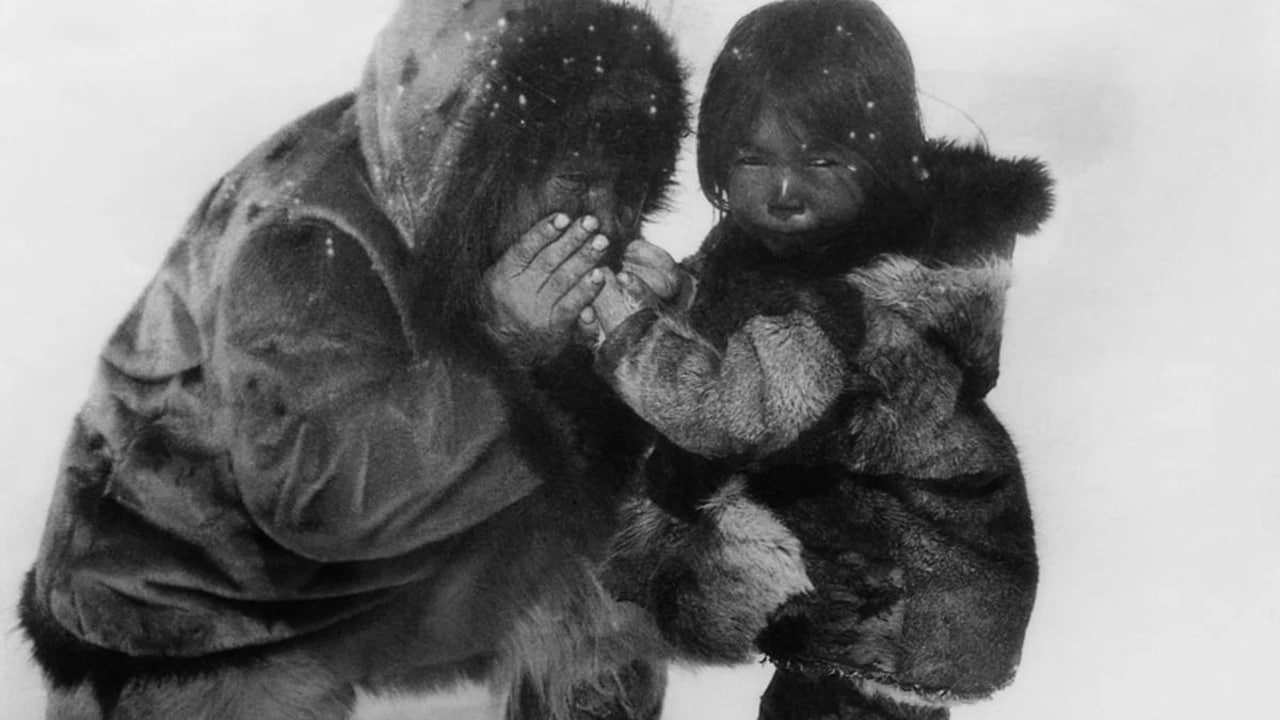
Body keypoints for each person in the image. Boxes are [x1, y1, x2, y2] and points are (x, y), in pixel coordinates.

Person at [17, 1, 690, 718]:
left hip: (379, 560)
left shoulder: (462, 187)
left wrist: (644, 343)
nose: (606, 219)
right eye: (579, 180)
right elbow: (317, 501)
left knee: (610, 600)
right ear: (494, 163)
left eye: (628, 188)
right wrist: (501, 340)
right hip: (183, 598)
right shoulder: (303, 236)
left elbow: (591, 465)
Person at [591, 1, 1052, 718]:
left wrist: (630, 335)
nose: (782, 190)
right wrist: (679, 298)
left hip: (910, 591)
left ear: (882, 160)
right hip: (845, 569)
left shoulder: (867, 302)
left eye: (821, 160)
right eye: (753, 158)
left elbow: (738, 411)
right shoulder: (779, 246)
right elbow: (747, 324)